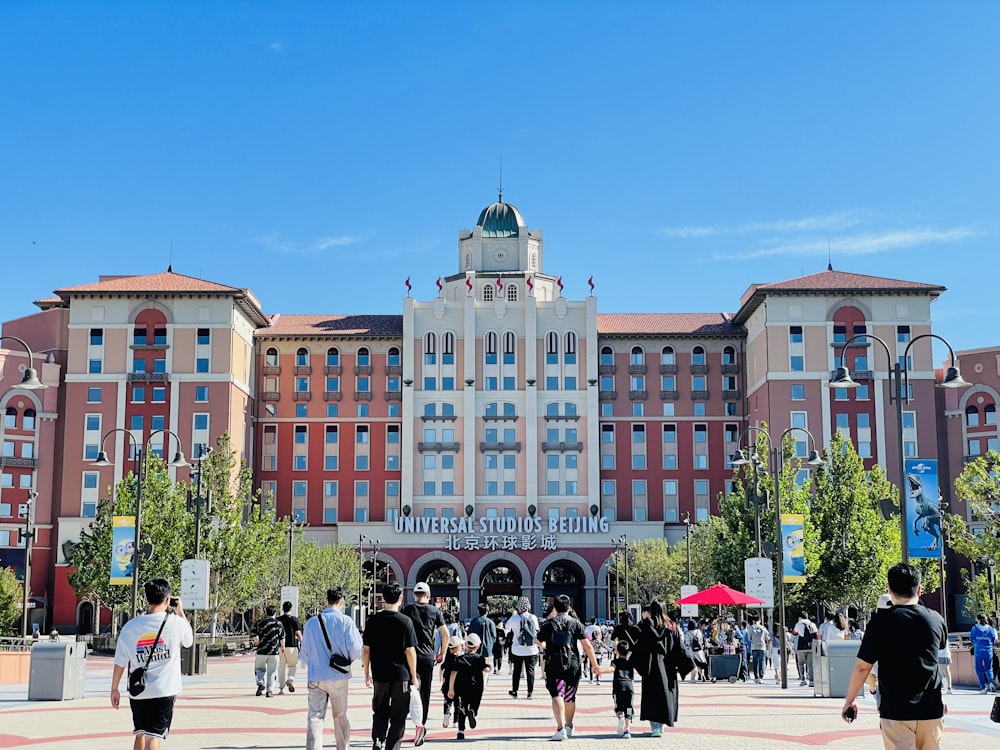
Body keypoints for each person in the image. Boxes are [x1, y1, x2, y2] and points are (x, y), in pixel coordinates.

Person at [840, 563, 948, 750]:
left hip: (896, 710)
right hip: (931, 707)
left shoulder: (880, 623)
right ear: (919, 589)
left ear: (889, 589)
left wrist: (849, 701)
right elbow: (934, 659)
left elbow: (862, 667)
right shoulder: (935, 619)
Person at [111, 579, 194, 750]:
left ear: (147, 598)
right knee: (153, 738)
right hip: (164, 690)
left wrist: (114, 688)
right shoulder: (176, 623)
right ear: (167, 599)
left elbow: (120, 661)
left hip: (138, 690)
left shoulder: (130, 627)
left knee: (140, 733)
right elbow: (189, 641)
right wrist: (180, 612)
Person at [299, 587, 363, 750]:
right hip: (339, 677)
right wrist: (348, 659)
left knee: (315, 717)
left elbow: (304, 651)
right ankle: (342, 747)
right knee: (340, 715)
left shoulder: (312, 622)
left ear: (326, 601)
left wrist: (308, 664)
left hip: (316, 677)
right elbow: (356, 649)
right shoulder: (346, 621)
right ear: (342, 602)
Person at [363, 581, 419, 750]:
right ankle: (392, 746)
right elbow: (410, 651)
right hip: (401, 676)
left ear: (382, 598)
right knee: (399, 714)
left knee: (379, 710)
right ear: (401, 598)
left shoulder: (373, 620)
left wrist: (367, 672)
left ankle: (378, 739)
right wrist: (414, 675)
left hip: (380, 675)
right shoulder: (405, 621)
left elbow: (366, 649)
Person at [535, 594, 599, 741]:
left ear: (555, 608)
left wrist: (545, 646)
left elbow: (537, 641)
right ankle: (569, 726)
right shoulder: (576, 624)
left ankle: (560, 728)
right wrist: (594, 665)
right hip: (573, 664)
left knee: (557, 694)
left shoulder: (548, 625)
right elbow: (587, 646)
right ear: (569, 608)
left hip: (553, 664)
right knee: (570, 696)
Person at [630, 600, 693, 736]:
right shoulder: (672, 626)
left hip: (651, 666)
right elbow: (679, 648)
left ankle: (655, 727)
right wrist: (688, 664)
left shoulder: (647, 624)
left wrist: (634, 661)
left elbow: (639, 646)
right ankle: (663, 724)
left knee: (652, 695)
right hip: (668, 665)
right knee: (666, 694)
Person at [400, 581, 448, 740]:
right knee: (425, 693)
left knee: (409, 689)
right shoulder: (435, 611)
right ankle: (421, 725)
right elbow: (446, 634)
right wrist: (442, 653)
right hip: (428, 656)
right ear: (428, 596)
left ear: (414, 595)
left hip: (409, 655)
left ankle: (405, 721)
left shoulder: (407, 609)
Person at [446, 633, 491, 740]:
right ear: (478, 646)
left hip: (462, 687)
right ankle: (473, 711)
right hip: (476, 687)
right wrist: (488, 668)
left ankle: (461, 732)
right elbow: (486, 669)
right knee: (475, 704)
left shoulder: (460, 659)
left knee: (462, 707)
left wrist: (451, 688)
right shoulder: (480, 659)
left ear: (466, 645)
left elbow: (453, 674)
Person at [597, 641, 635, 738]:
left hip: (618, 686)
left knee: (618, 706)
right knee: (629, 708)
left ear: (617, 651)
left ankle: (620, 717)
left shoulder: (615, 662)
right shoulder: (630, 662)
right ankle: (627, 730)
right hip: (629, 686)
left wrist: (601, 671)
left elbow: (611, 669)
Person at [506, 596, 540, 700]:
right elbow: (537, 630)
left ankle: (515, 691)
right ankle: (530, 693)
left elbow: (507, 627)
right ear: (528, 606)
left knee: (517, 671)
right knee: (531, 671)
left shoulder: (514, 618)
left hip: (517, 649)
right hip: (531, 649)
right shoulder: (533, 617)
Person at [253, 605, 285, 697]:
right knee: (272, 671)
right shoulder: (278, 623)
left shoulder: (260, 622)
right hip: (273, 651)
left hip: (261, 650)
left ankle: (260, 682)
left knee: (259, 669)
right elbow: (282, 637)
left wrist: (256, 641)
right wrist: (282, 646)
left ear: (266, 613)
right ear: (275, 613)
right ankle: (269, 690)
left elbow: (253, 633)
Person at [277, 600, 302, 695]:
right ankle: (290, 679)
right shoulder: (294, 620)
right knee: (293, 665)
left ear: (282, 609)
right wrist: (302, 643)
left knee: (281, 668)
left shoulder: (278, 620)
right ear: (291, 608)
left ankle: (281, 688)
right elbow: (298, 634)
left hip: (280, 647)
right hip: (292, 646)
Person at [440, 635, 465, 728]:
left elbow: (441, 669)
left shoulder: (447, 658)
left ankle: (446, 713)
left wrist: (442, 680)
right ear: (457, 647)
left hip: (446, 685)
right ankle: (456, 721)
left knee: (447, 701)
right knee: (457, 703)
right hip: (457, 685)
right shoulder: (459, 660)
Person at [970, 612, 997, 693]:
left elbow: (971, 639)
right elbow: (993, 639)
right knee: (989, 668)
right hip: (988, 650)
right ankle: (991, 683)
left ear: (978, 620)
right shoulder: (991, 629)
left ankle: (983, 687)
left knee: (979, 669)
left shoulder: (974, 628)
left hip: (978, 650)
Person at [792, 611, 817, 686]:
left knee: (801, 663)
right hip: (810, 646)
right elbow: (816, 634)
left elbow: (794, 633)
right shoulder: (812, 624)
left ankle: (803, 679)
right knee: (810, 664)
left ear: (800, 617)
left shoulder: (799, 624)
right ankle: (812, 680)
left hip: (801, 645)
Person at [747, 615, 770, 683]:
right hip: (762, 647)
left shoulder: (751, 627)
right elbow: (767, 637)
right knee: (762, 662)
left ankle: (756, 677)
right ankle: (761, 677)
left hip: (754, 647)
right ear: (759, 620)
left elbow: (749, 638)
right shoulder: (763, 627)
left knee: (755, 662)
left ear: (753, 621)